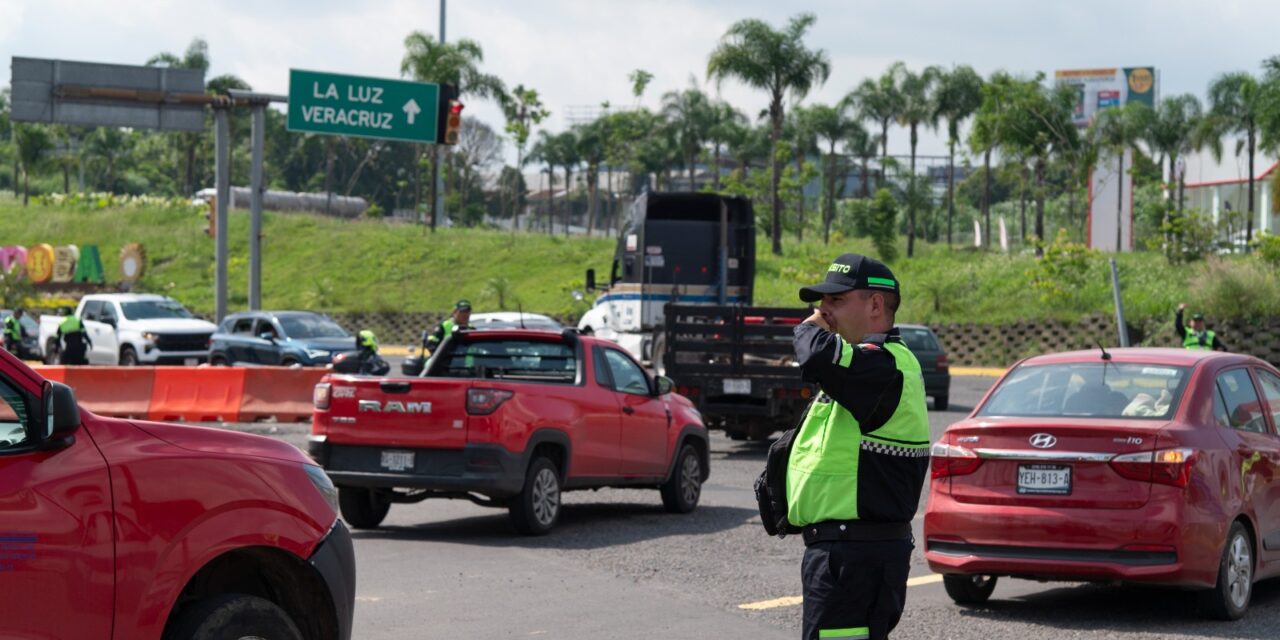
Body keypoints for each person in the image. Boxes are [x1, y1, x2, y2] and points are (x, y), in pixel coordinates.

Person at [787, 253, 930, 640]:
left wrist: (810, 326)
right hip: (848, 552)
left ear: (875, 305)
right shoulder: (867, 368)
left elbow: (817, 353)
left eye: (835, 300)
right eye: (820, 303)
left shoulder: (883, 365)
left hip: (854, 556)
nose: (823, 310)